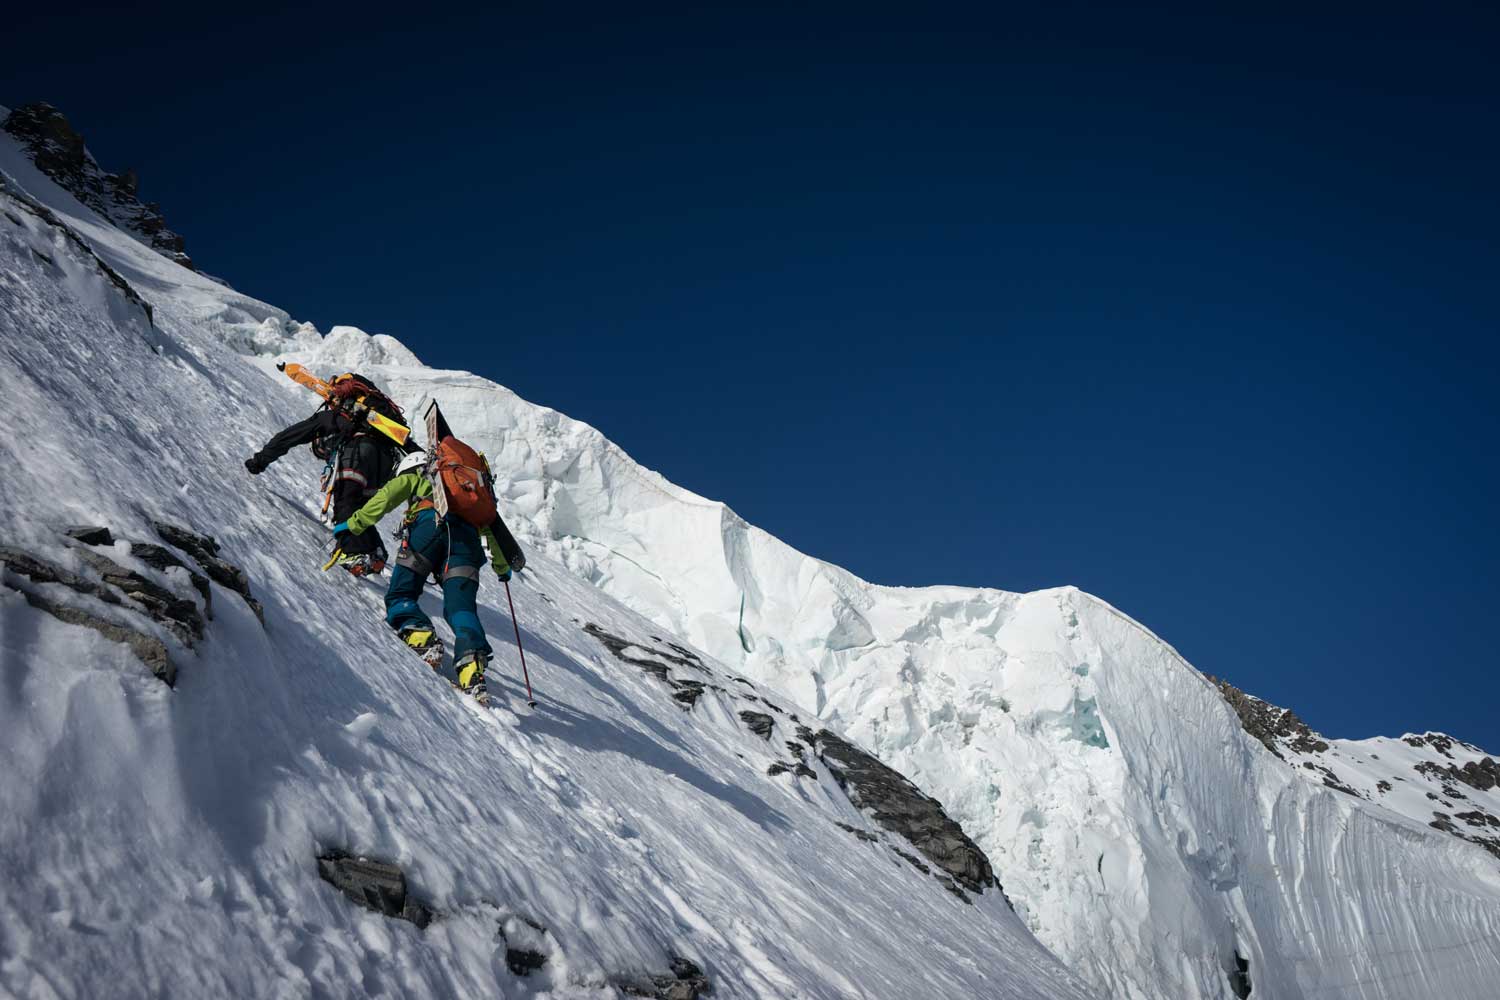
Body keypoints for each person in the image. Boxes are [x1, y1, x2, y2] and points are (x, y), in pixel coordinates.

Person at [335, 450, 514, 702]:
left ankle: (418, 631)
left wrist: (353, 525)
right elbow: (493, 528)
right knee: (461, 608)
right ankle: (471, 664)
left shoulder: (419, 475)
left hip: (429, 527)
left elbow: (387, 497)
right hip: (466, 544)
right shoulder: (470, 495)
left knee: (402, 592)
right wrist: (502, 568)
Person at [244, 372, 415, 576]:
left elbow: (288, 436)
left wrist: (260, 461)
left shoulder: (337, 416)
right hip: (385, 466)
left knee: (345, 500)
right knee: (359, 509)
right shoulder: (376, 421)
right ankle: (374, 551)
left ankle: (353, 552)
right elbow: (407, 444)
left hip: (360, 453)